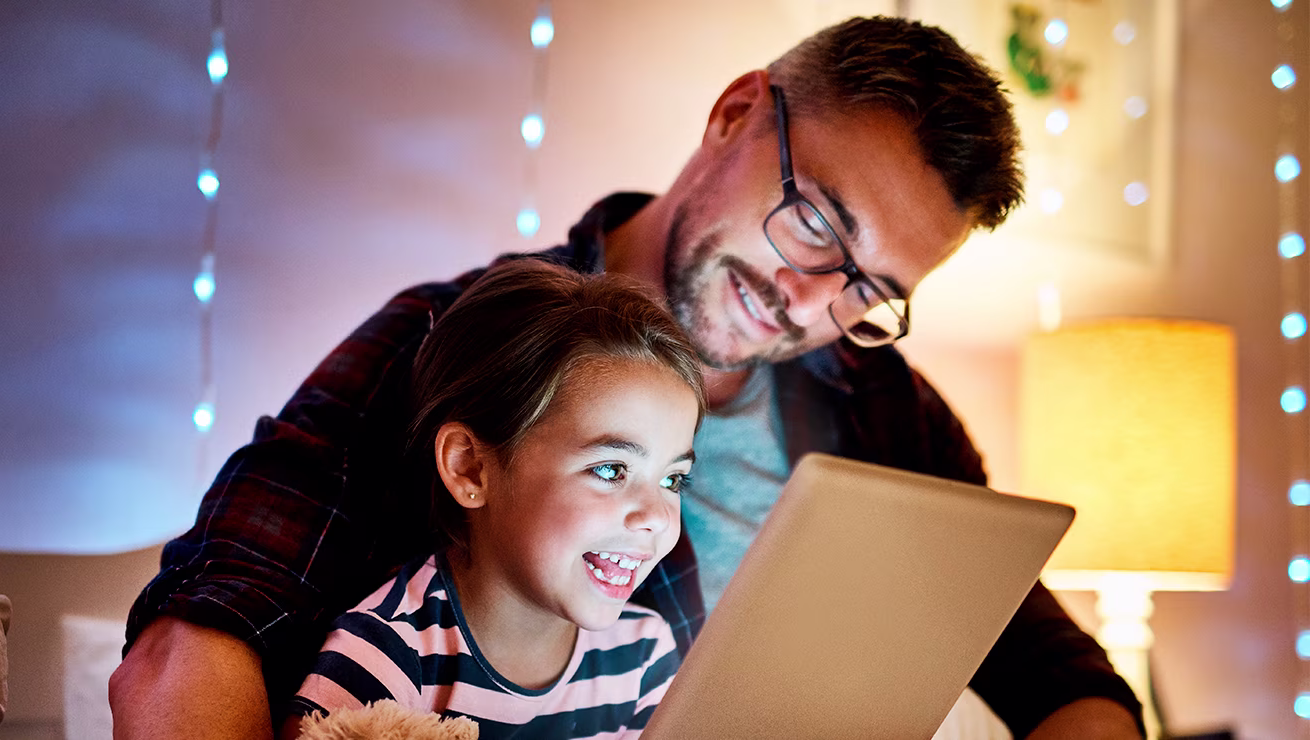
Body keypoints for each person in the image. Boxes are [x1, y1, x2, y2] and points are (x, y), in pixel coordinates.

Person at [111, 15, 1145, 740]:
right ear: (737, 112)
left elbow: (1066, 679)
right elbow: (208, 623)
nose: (809, 295)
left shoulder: (888, 411)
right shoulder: (461, 343)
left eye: (867, 287)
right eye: (819, 221)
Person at [283, 260, 700, 738]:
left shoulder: (645, 656)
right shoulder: (383, 657)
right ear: (470, 468)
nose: (656, 518)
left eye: (672, 480)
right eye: (610, 469)